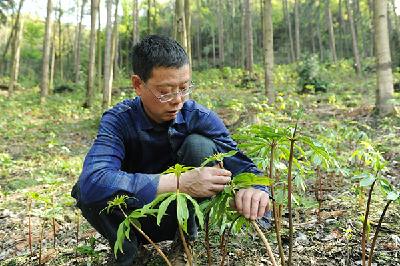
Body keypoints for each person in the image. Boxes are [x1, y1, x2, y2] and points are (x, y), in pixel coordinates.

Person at [71, 35, 270, 266]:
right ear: (138, 84)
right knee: (90, 190)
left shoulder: (199, 117)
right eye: (165, 91)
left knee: (200, 145)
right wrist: (180, 182)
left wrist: (255, 188)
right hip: (130, 216)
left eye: (184, 88)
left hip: (177, 215)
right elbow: (93, 181)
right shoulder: (118, 120)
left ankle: (185, 242)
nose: (178, 100)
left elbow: (241, 164)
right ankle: (127, 250)